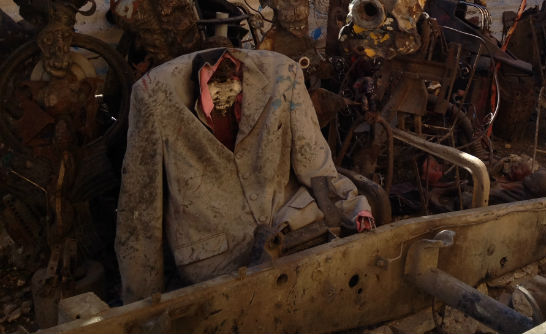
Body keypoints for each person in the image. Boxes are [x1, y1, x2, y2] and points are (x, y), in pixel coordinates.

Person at [115, 47, 373, 303]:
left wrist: (355, 210)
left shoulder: (284, 73)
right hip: (216, 264)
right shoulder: (152, 95)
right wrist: (142, 306)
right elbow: (141, 210)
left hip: (292, 235)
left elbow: (315, 163)